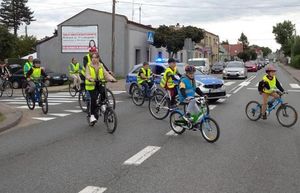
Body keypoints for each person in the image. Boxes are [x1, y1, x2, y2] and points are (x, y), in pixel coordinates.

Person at [85, 52, 116, 123]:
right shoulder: (89, 65)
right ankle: (92, 115)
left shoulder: (101, 65)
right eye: (92, 57)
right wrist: (90, 78)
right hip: (91, 85)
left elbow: (106, 74)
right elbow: (87, 74)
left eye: (95, 57)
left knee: (104, 93)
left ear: (98, 58)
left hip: (99, 83)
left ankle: (102, 104)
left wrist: (111, 79)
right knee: (93, 99)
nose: (94, 59)